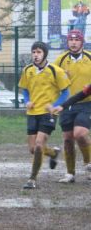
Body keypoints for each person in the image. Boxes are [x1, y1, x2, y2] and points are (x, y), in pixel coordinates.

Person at [19, 41, 70, 189]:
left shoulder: (56, 71)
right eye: (34, 52)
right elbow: (25, 89)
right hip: (32, 112)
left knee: (40, 144)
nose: (36, 55)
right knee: (33, 149)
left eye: (39, 52)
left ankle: (32, 179)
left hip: (49, 113)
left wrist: (54, 106)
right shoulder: (27, 70)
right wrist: (27, 101)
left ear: (45, 54)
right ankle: (53, 153)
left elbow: (66, 92)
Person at [51, 29, 91, 183]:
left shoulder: (89, 57)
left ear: (82, 42)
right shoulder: (60, 61)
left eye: (77, 40)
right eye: (71, 40)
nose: (73, 43)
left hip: (87, 103)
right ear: (67, 42)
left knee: (80, 134)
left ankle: (88, 163)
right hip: (66, 106)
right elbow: (51, 79)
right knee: (68, 139)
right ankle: (70, 173)